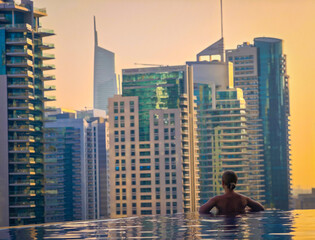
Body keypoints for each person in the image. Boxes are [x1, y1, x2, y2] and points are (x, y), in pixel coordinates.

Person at [199, 170, 264, 215]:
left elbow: (201, 211)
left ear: (223, 183)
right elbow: (261, 209)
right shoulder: (244, 199)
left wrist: (215, 215)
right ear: (236, 183)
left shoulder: (217, 200)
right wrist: (247, 212)